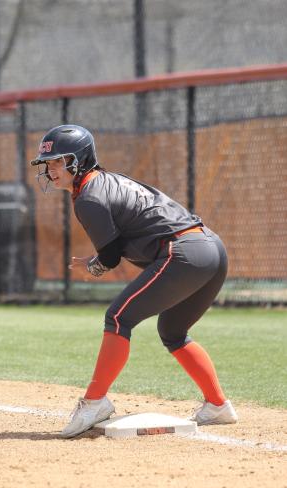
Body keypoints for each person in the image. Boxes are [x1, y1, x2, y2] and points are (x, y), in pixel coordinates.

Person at [31, 124, 237, 439]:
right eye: (48, 163)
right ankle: (218, 405)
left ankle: (95, 401)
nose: (51, 169)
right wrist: (99, 259)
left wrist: (94, 266)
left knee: (117, 316)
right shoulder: (109, 180)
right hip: (211, 247)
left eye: (59, 161)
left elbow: (111, 256)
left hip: (185, 252)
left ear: (80, 160)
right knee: (172, 331)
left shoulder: (88, 196)